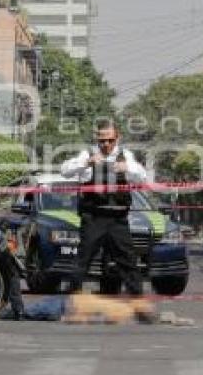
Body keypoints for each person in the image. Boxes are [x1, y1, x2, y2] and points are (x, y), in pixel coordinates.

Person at [61, 119, 147, 295]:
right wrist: (86, 163)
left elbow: (142, 176)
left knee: (128, 261)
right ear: (96, 139)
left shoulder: (126, 155)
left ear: (117, 138)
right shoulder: (88, 155)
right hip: (94, 218)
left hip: (118, 219)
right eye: (102, 140)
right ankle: (71, 301)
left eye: (110, 140)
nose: (106, 144)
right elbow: (65, 170)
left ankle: (139, 302)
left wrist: (127, 167)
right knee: (82, 260)